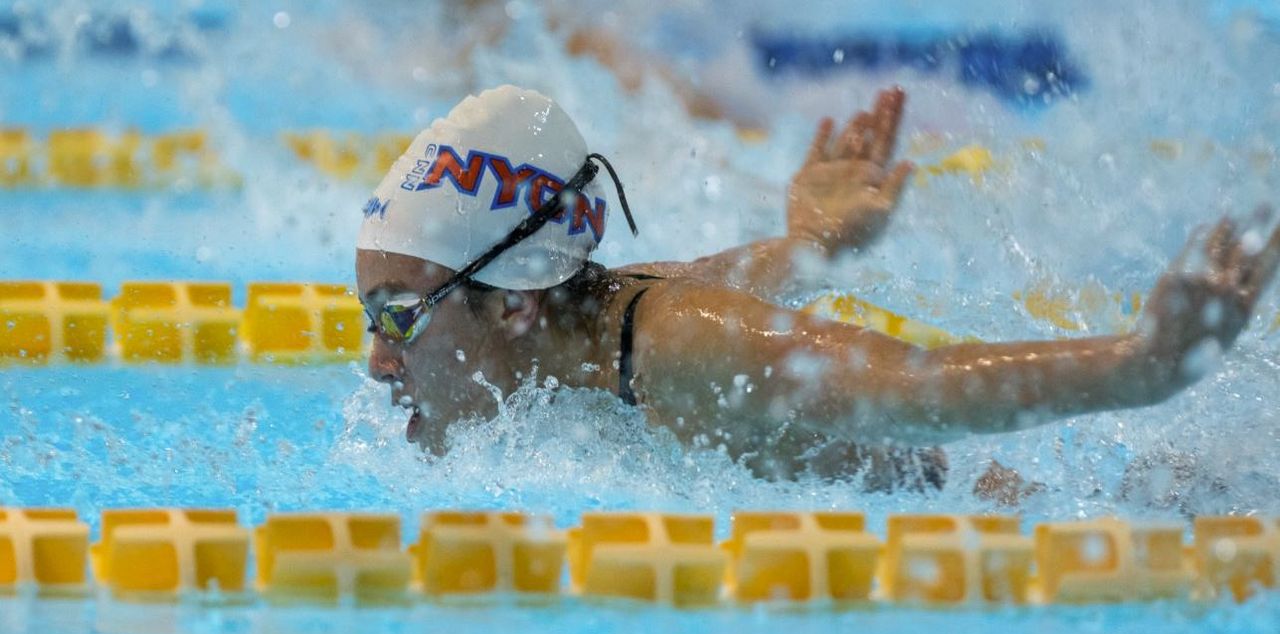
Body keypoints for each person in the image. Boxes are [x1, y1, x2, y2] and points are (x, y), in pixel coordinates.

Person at [356, 85, 1280, 490]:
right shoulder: (594, 324)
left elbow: (918, 387)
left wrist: (1143, 365)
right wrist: (811, 245)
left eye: (397, 317)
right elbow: (711, 280)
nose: (377, 361)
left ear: (515, 304)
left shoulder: (683, 346)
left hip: (1013, 519)